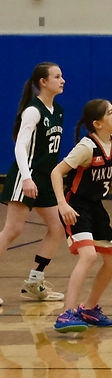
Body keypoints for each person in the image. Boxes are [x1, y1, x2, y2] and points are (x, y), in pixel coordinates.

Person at [50, 99, 112, 333]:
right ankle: (66, 314)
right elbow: (56, 172)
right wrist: (61, 205)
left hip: (96, 206)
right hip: (76, 205)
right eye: (111, 113)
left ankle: (88, 309)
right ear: (98, 123)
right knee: (88, 256)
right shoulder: (86, 147)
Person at [0, 63, 67, 306]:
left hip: (45, 178)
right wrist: (26, 178)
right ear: (43, 82)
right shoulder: (33, 111)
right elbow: (20, 146)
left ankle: (35, 281)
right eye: (57, 76)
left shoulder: (57, 110)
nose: (63, 80)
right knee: (13, 230)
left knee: (57, 227)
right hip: (26, 176)